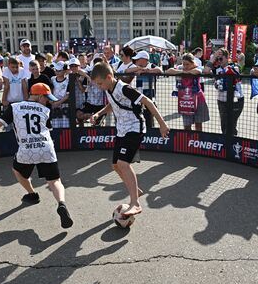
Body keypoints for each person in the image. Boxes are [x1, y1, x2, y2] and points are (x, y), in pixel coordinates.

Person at [0, 83, 73, 228]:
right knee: (55, 181)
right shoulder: (45, 110)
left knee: (18, 170)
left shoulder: (14, 107)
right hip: (46, 148)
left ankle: (32, 194)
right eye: (46, 98)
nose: (48, 101)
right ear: (39, 96)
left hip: (26, 150)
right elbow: (48, 130)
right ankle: (62, 204)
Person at [89, 62, 170, 216]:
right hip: (122, 130)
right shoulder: (108, 88)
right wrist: (99, 113)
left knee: (123, 163)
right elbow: (113, 104)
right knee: (115, 165)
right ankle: (136, 190)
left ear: (109, 77)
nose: (99, 87)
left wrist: (162, 124)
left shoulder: (124, 88)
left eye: (100, 83)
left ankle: (135, 203)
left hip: (134, 127)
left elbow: (148, 101)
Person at [165, 53, 210, 131]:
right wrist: (184, 72)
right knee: (186, 125)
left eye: (187, 64)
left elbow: (198, 71)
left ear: (193, 63)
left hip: (198, 99)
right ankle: (188, 141)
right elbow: (168, 71)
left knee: (198, 124)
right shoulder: (180, 68)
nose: (185, 66)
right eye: (184, 64)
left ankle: (197, 141)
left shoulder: (197, 67)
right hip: (185, 101)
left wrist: (183, 72)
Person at [209, 48, 244, 135]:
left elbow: (238, 78)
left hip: (235, 100)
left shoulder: (235, 67)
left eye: (221, 59)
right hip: (221, 101)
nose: (219, 61)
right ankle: (225, 144)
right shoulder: (216, 69)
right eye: (217, 59)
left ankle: (232, 144)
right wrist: (213, 59)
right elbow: (206, 70)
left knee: (231, 124)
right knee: (224, 124)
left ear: (227, 58)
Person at [125, 50, 163, 128]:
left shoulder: (150, 65)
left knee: (149, 119)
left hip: (149, 97)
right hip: (139, 97)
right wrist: (138, 69)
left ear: (144, 59)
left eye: (138, 59)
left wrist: (147, 71)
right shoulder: (136, 67)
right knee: (140, 120)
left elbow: (160, 70)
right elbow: (126, 70)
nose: (136, 61)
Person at [49, 61, 70, 128]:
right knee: (55, 126)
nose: (57, 72)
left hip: (65, 106)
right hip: (54, 105)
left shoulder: (68, 80)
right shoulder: (52, 79)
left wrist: (58, 103)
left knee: (66, 126)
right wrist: (52, 102)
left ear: (65, 71)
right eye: (56, 70)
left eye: (59, 70)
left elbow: (68, 95)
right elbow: (50, 92)